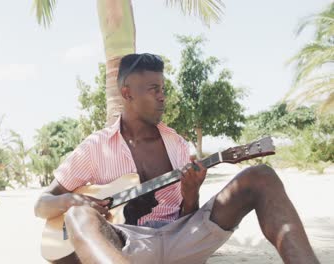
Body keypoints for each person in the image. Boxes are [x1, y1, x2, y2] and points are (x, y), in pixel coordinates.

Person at [34, 53, 319, 264]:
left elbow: (189, 217)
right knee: (77, 215)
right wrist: (72, 200)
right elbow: (41, 204)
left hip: (181, 238)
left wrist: (190, 192)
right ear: (127, 93)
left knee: (261, 176)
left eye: (163, 89)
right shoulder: (95, 147)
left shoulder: (177, 144)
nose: (163, 97)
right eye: (153, 89)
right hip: (124, 245)